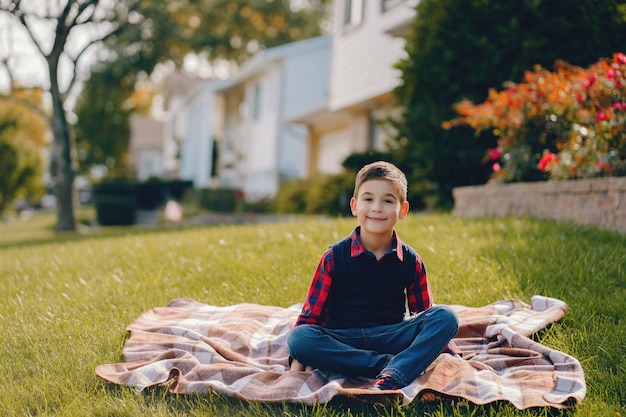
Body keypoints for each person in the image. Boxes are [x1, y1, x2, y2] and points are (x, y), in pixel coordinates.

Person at [287, 161, 460, 391]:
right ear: (354, 205)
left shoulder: (410, 260)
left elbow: (424, 317)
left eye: (388, 201)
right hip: (341, 339)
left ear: (403, 210)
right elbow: (311, 317)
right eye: (368, 199)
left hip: (391, 335)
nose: (377, 207)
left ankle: (394, 369)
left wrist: (446, 350)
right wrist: (298, 358)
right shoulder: (334, 257)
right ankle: (393, 367)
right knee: (300, 338)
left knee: (446, 316)